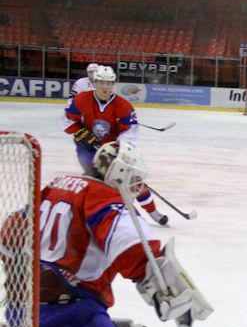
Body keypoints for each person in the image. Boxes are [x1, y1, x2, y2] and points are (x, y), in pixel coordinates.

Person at [3, 141, 212, 327]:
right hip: (68, 318)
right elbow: (134, 250)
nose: (137, 189)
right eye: (135, 180)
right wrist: (169, 293)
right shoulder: (104, 197)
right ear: (119, 173)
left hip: (18, 311)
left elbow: (10, 231)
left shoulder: (57, 185)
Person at [62, 65, 169, 226]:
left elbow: (130, 132)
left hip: (113, 148)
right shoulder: (81, 99)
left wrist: (118, 149)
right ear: (95, 83)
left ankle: (152, 212)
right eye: (101, 83)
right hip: (87, 148)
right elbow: (67, 118)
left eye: (108, 83)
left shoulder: (123, 105)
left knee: (131, 179)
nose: (105, 87)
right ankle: (97, 215)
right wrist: (82, 133)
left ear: (113, 84)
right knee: (96, 181)